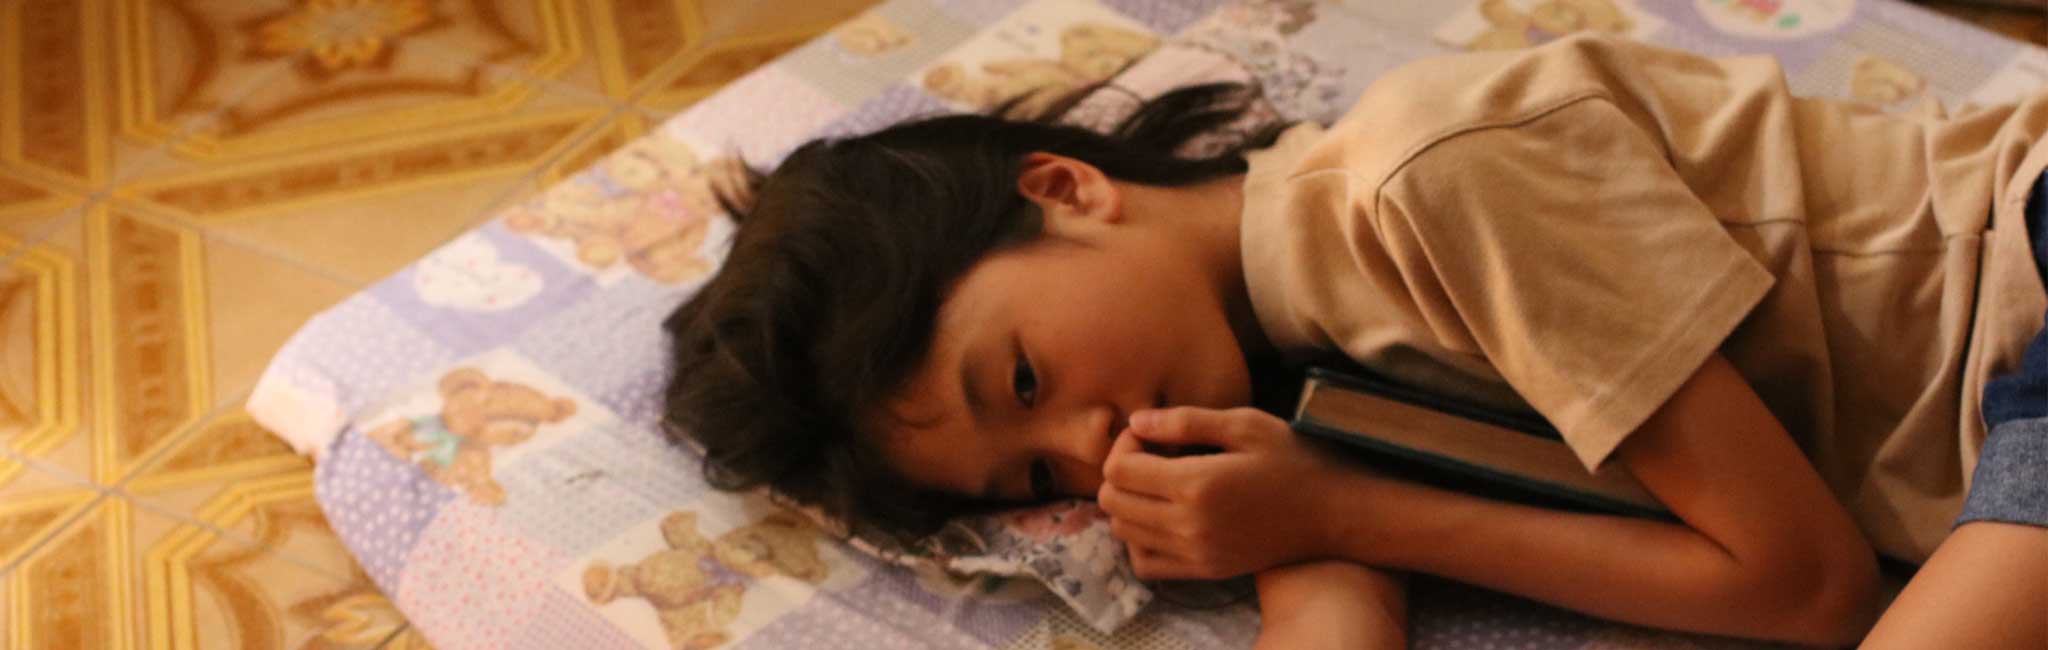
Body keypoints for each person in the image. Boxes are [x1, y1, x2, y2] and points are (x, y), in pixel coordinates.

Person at [661, 34, 2048, 648]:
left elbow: (1807, 582)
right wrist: (1297, 525)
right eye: (1029, 478)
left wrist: (1341, 506)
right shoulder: (1279, 393)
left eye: (1022, 379)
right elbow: (1331, 606)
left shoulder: (1427, 180)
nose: (1082, 447)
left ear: (1067, 189)